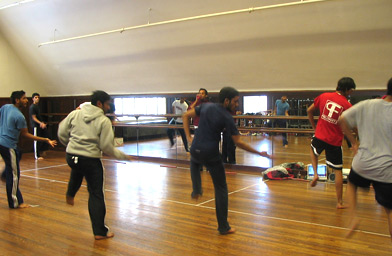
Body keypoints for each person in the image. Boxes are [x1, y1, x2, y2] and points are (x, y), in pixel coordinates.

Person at [183, 87, 271, 235]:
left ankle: (196, 189)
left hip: (195, 149)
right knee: (221, 188)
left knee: (195, 160)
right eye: (236, 102)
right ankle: (223, 227)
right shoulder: (227, 117)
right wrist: (259, 153)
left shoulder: (206, 106)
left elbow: (186, 116)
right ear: (226, 101)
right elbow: (239, 143)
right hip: (211, 153)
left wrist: (188, 138)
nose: (237, 105)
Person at [58, 90, 134, 240]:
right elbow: (106, 147)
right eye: (107, 104)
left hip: (71, 156)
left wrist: (70, 145)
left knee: (77, 168)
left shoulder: (75, 113)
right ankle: (99, 231)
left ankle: (70, 193)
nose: (108, 107)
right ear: (99, 103)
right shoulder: (103, 121)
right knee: (96, 194)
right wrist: (123, 156)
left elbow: (61, 132)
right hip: (90, 160)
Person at [338, 78, 392, 240]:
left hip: (363, 164)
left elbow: (341, 120)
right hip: (386, 169)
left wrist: (353, 142)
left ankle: (353, 217)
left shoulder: (368, 104)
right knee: (390, 210)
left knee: (352, 184)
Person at [0, 90, 57, 209]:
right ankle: (16, 203)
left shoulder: (5, 107)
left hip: (3, 144)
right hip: (8, 145)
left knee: (18, 153)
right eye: (24, 98)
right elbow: (25, 135)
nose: (26, 100)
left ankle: (5, 174)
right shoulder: (19, 116)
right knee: (14, 175)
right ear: (17, 100)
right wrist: (45, 139)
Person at [307, 77, 356, 209]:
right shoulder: (347, 105)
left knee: (313, 151)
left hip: (320, 136)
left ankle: (316, 173)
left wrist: (314, 127)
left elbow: (309, 110)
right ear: (346, 89)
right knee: (338, 170)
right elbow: (353, 126)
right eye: (350, 90)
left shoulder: (324, 96)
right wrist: (355, 141)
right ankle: (339, 202)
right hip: (334, 141)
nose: (351, 93)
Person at [29, 92, 49, 160]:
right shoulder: (32, 107)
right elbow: (34, 118)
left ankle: (41, 151)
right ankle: (36, 155)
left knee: (42, 138)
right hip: (35, 126)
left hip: (40, 125)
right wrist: (40, 123)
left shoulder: (37, 107)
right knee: (36, 140)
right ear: (33, 99)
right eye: (35, 97)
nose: (37, 99)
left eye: (38, 97)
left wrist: (42, 123)